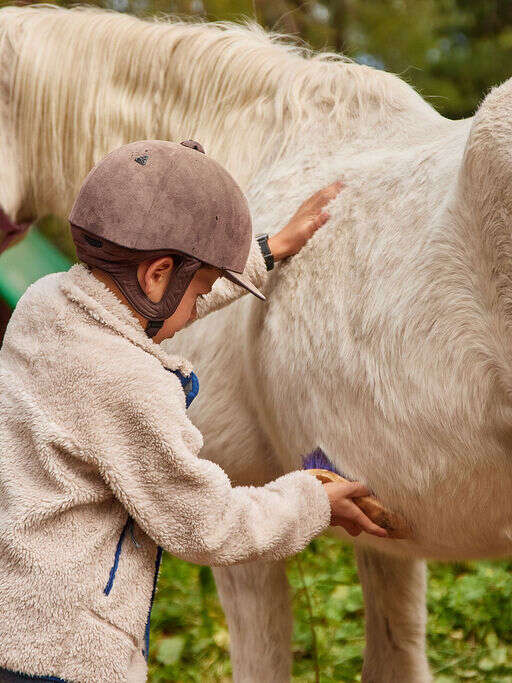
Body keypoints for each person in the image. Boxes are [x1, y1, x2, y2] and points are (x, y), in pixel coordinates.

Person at [0, 139, 389, 683]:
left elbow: (161, 303)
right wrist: (308, 499)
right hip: (66, 659)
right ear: (158, 275)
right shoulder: (129, 385)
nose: (195, 309)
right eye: (201, 286)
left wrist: (270, 249)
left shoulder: (43, 304)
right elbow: (208, 526)